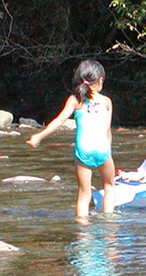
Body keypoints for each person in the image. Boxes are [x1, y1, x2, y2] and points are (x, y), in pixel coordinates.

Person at [27, 60, 116, 216]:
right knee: (109, 186)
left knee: (84, 194)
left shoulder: (75, 100)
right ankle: (108, 224)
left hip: (84, 150)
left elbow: (59, 121)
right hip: (102, 149)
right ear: (101, 79)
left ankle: (83, 233)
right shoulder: (106, 102)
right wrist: (107, 151)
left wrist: (39, 136)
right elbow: (107, 131)